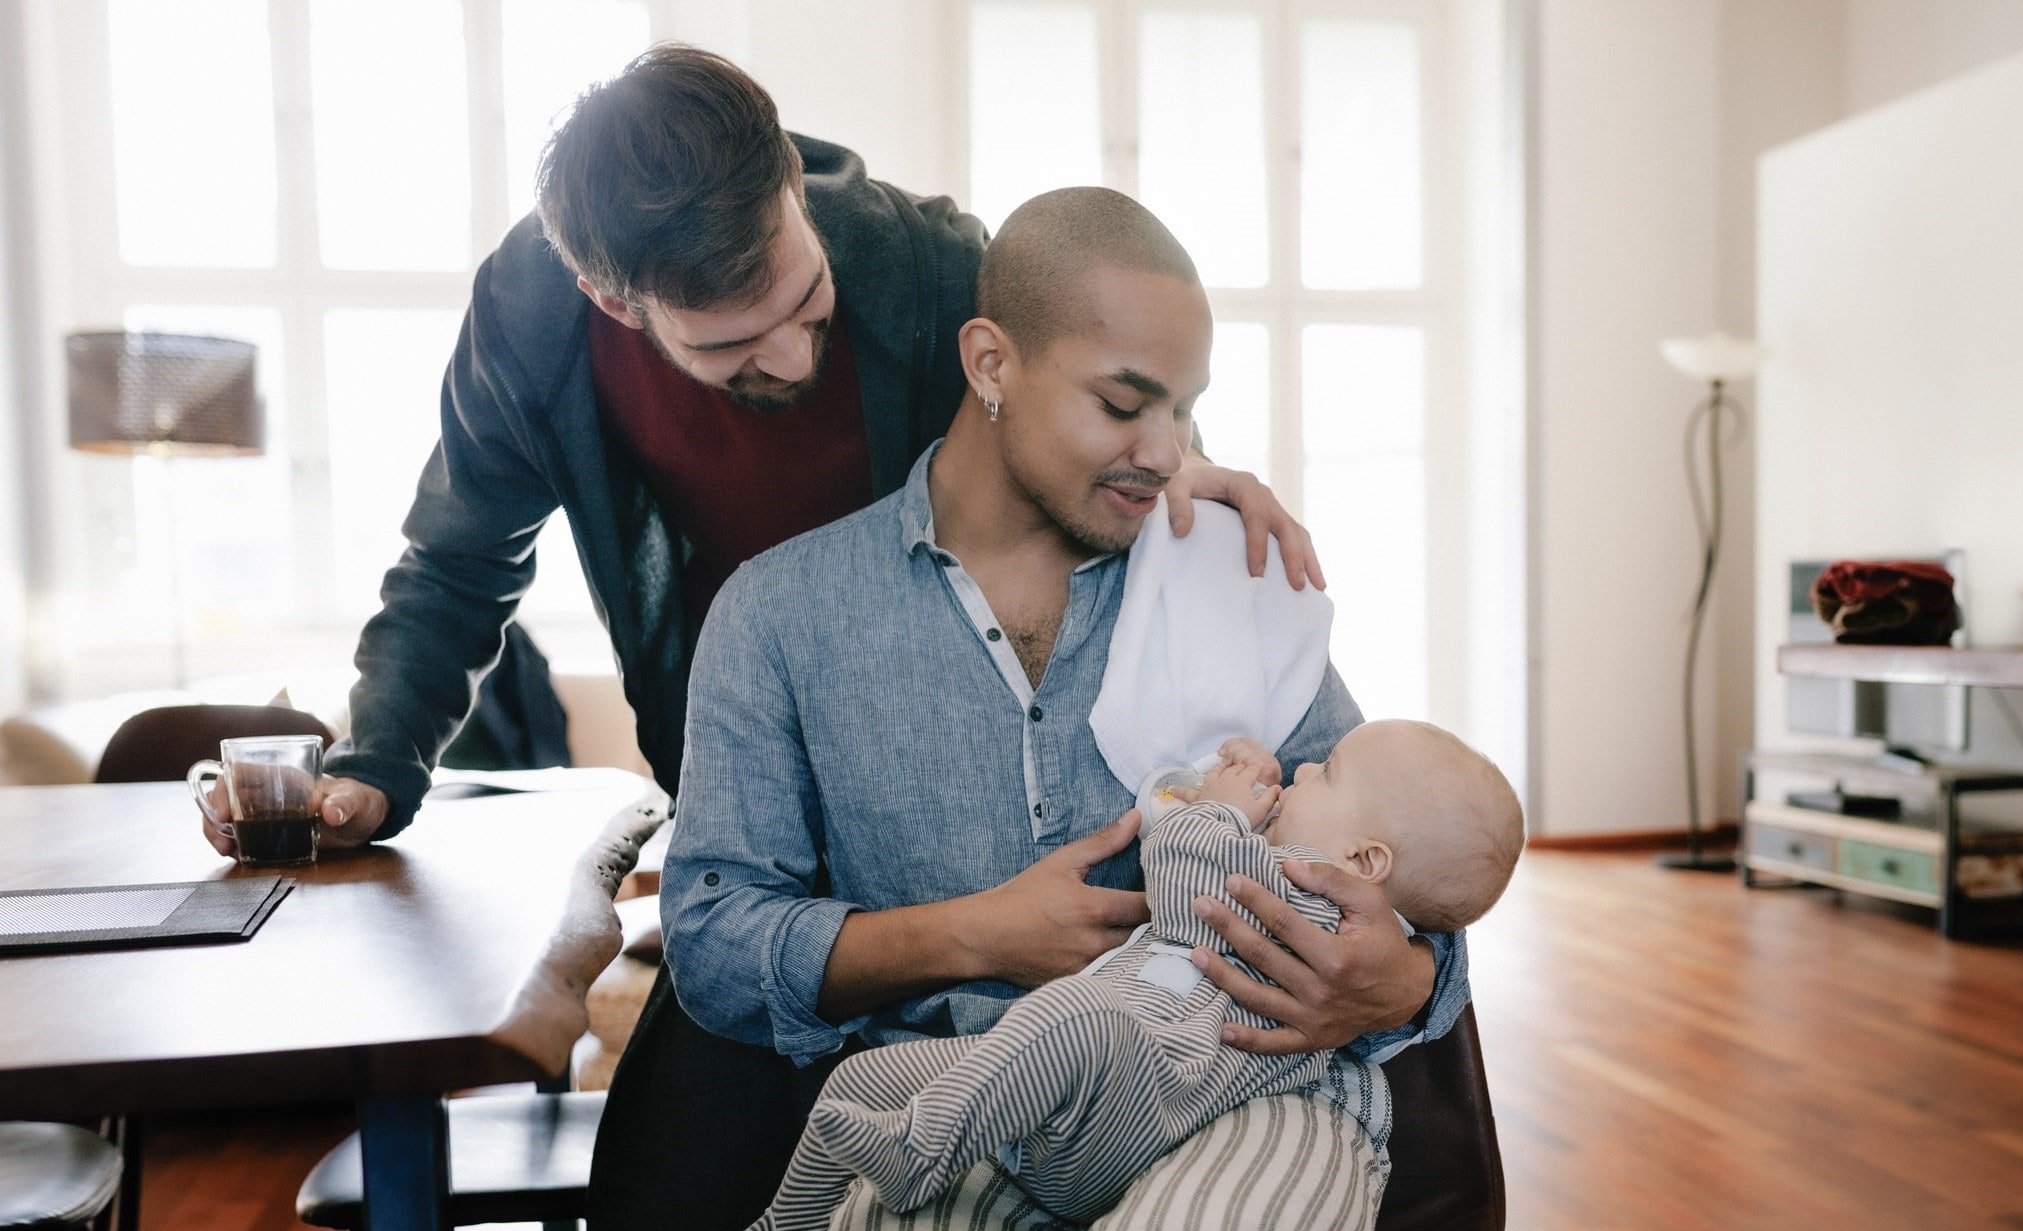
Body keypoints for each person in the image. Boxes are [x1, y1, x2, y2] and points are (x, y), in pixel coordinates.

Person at [664, 185, 1467, 1231]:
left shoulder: (1230, 575)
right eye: (1127, 404)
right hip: (967, 1119)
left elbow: (1399, 852)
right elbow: (716, 942)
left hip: (1248, 1096)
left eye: (1189, 410)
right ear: (990, 364)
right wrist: (974, 935)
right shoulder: (780, 618)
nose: (1170, 453)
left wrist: (1413, 981)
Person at [194, 44, 1316, 856]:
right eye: (733, 343)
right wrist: (379, 768)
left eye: (808, 301)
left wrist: (1179, 460)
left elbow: (1079, 382)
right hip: (729, 745)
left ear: (789, 177)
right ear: (611, 299)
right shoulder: (531, 321)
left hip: (938, 755)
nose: (789, 356)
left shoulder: (928, 264)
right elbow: (455, 563)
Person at [671, 722, 1523, 1231]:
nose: (1299, 774)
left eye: (1324, 775)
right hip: (1094, 1077)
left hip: (1140, 1099)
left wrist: (1220, 806)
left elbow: (1188, 871)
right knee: (863, 1079)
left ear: (1364, 863)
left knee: (1071, 1015)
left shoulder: (1314, 906)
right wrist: (1202, 799)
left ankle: (920, 1153)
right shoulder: (1311, 882)